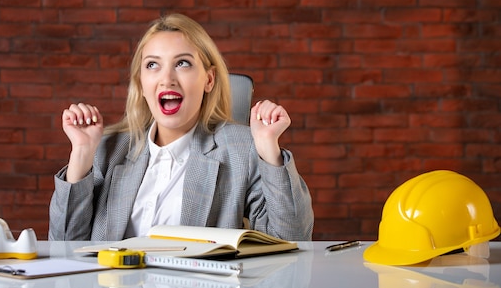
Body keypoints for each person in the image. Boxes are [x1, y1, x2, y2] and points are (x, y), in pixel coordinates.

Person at [49, 14, 314, 241]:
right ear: (141, 84)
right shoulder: (108, 149)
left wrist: (269, 151)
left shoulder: (242, 149)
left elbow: (293, 241)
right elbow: (63, 246)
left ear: (208, 80)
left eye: (182, 63)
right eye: (153, 65)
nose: (167, 79)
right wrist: (82, 154)